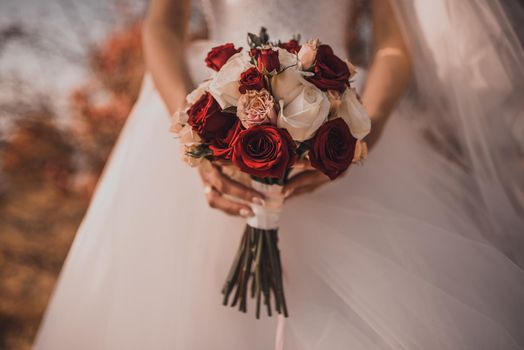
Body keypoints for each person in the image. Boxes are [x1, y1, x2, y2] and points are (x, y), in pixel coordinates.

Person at [34, 0, 524, 349]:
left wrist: (358, 137)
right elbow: (163, 27)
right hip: (215, 94)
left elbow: (394, 46)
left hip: (334, 103)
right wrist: (193, 130)